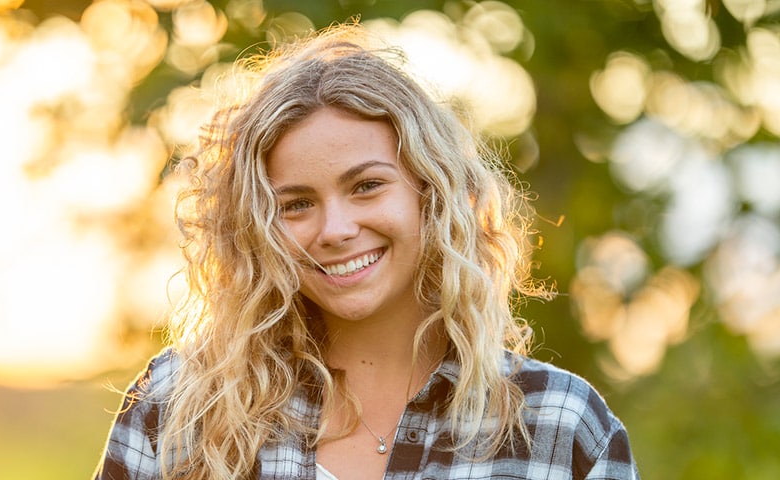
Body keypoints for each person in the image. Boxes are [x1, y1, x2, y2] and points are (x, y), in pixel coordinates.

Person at [94, 24, 639, 480]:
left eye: (366, 186)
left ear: (432, 192)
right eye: (296, 204)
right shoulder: (176, 408)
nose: (335, 229)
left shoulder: (560, 424)